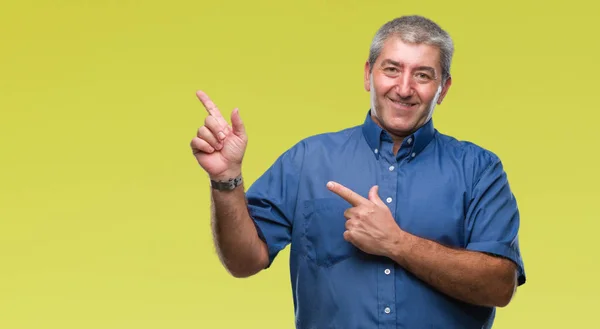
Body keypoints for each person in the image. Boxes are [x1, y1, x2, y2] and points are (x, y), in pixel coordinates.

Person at [190, 15, 526, 329]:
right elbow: (243, 262)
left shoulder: (479, 170)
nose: (404, 88)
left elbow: (499, 286)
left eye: (422, 75)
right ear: (368, 74)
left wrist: (397, 243)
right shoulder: (307, 159)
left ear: (444, 89)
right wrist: (225, 180)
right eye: (392, 69)